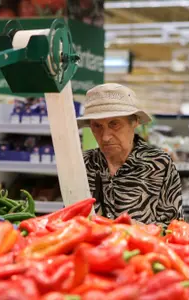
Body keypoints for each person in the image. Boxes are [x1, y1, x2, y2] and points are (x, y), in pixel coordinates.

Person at [77, 83, 183, 227]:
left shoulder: (159, 164)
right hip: (91, 249)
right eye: (97, 126)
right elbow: (70, 219)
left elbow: (174, 226)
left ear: (135, 122)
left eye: (114, 124)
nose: (105, 137)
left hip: (142, 249)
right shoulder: (83, 164)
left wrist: (136, 230)